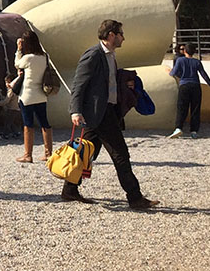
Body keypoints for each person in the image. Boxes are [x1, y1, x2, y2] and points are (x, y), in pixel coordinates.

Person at [61, 19, 158, 210]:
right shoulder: (94, 55)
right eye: (121, 33)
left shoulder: (110, 56)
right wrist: (75, 110)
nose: (124, 37)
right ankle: (135, 197)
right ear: (111, 35)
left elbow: (107, 82)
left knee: (85, 154)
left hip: (103, 113)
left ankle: (69, 189)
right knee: (120, 154)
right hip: (99, 113)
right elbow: (79, 84)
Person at [13, 29, 53, 163]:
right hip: (41, 94)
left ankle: (28, 154)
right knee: (45, 123)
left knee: (28, 124)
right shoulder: (44, 56)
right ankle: (48, 153)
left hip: (27, 95)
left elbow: (17, 64)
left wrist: (18, 50)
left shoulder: (28, 58)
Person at [167, 43, 210, 138]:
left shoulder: (180, 60)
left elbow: (174, 72)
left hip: (184, 85)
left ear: (185, 51)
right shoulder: (197, 62)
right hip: (196, 86)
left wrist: (169, 72)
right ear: (194, 52)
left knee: (182, 107)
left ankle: (179, 128)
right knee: (195, 109)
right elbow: (203, 74)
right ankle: (194, 131)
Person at [0, 75, 21, 140]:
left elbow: (7, 100)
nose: (6, 84)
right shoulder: (17, 89)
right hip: (16, 108)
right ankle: (16, 133)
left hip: (12, 108)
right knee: (11, 122)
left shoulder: (11, 90)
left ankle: (5, 134)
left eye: (7, 82)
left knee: (7, 123)